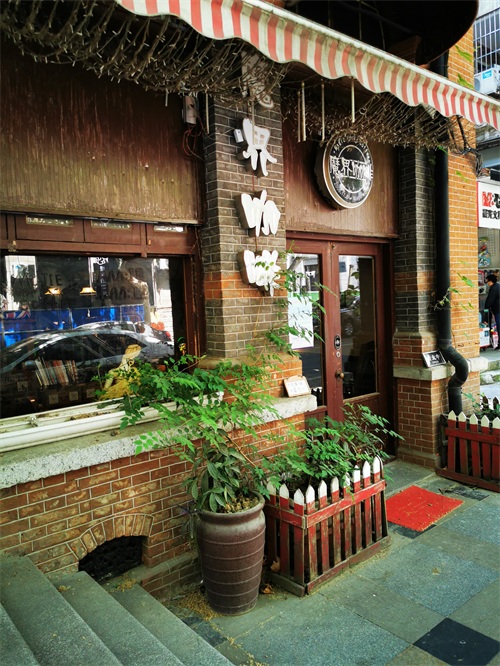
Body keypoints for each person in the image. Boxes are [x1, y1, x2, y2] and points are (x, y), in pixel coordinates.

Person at [484, 274, 500, 350]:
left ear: (491, 281)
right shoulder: (498, 286)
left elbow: (490, 300)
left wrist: (486, 308)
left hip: (498, 310)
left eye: (487, 281)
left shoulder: (493, 288)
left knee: (499, 326)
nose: (487, 283)